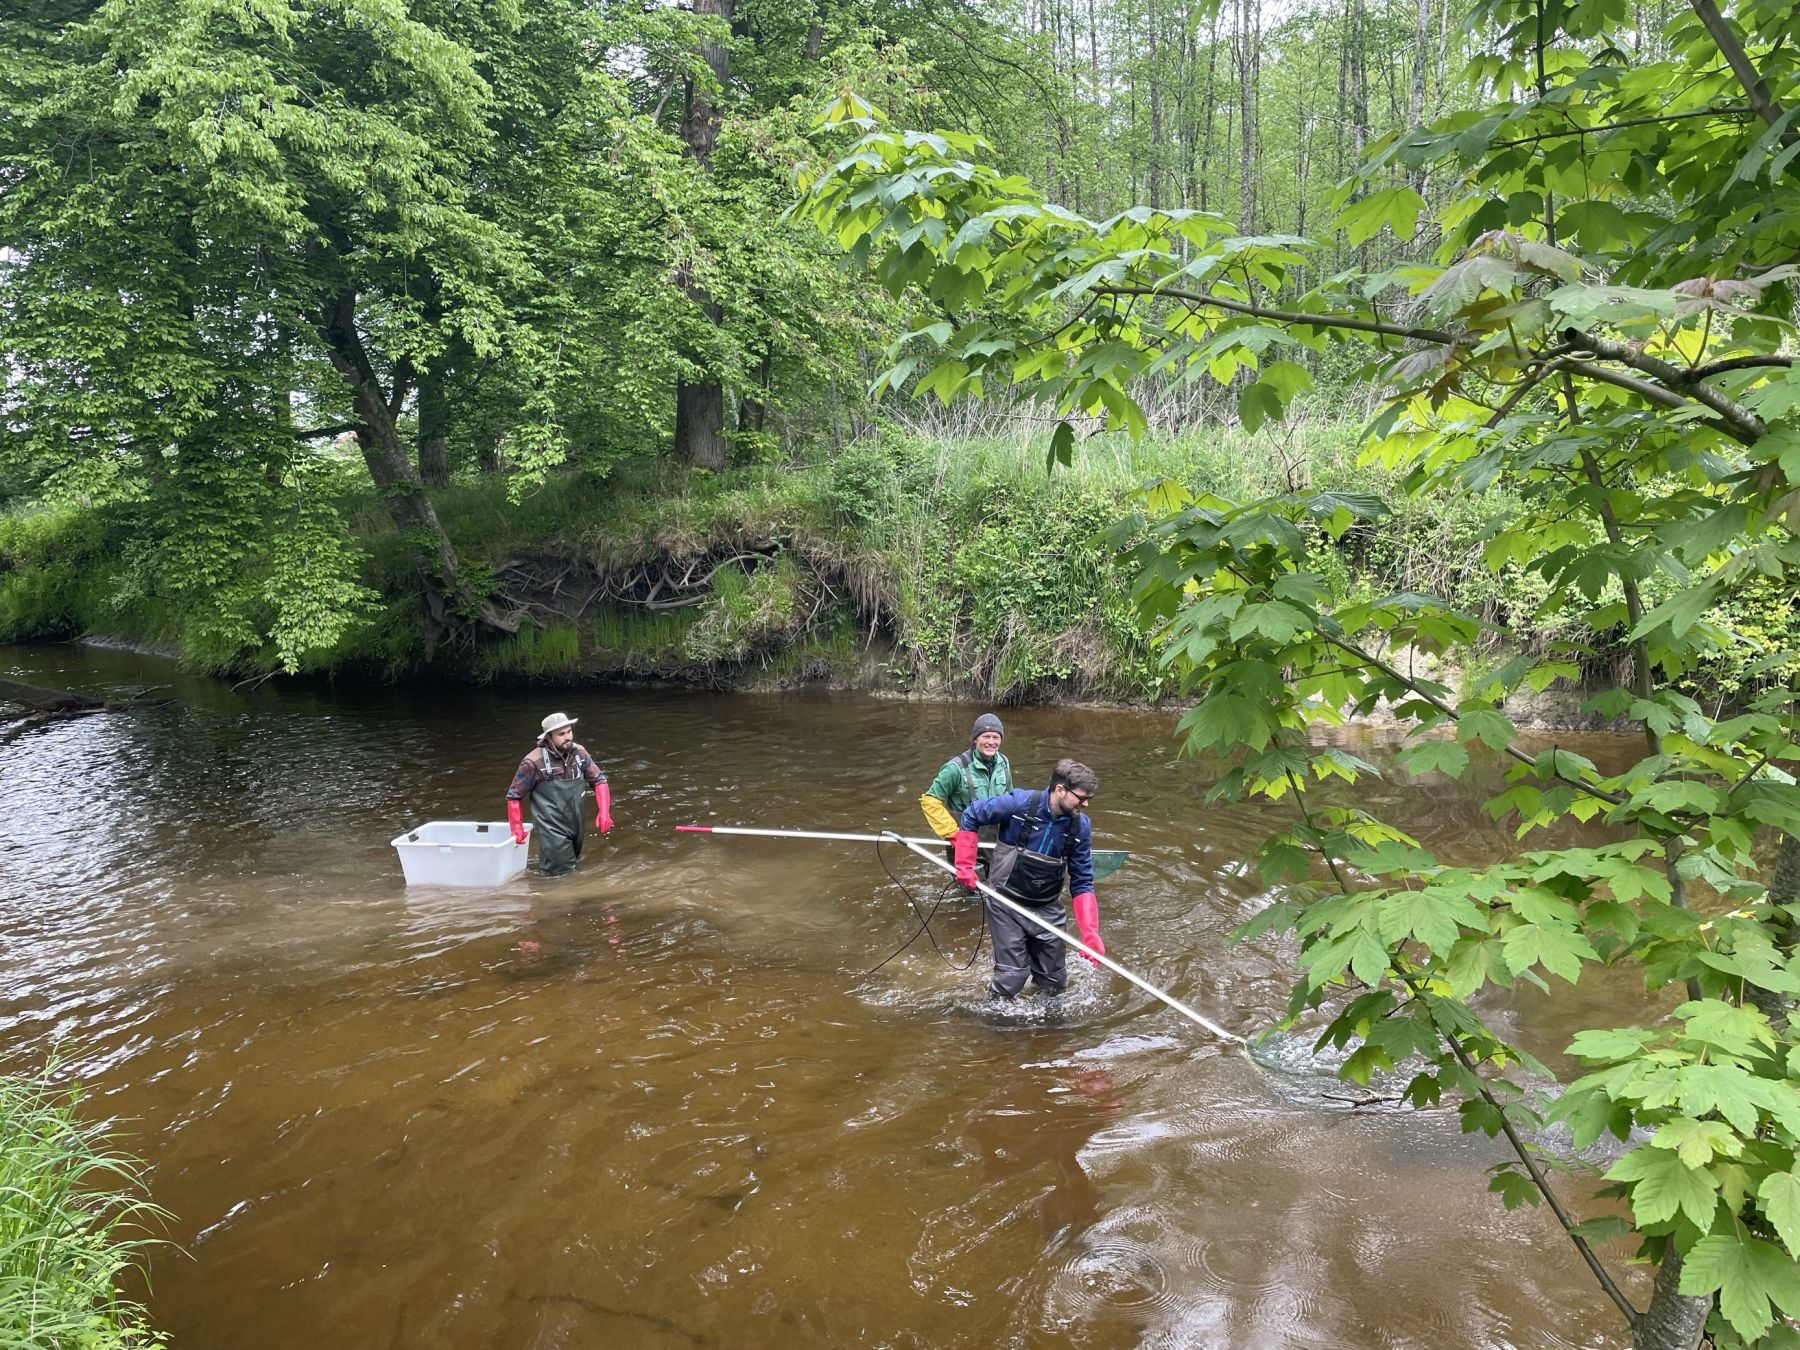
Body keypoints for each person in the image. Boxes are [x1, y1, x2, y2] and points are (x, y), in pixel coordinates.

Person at [953, 759, 1103, 999]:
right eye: (1081, 797)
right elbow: (971, 814)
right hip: (1005, 902)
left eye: (1089, 798)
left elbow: (1082, 881)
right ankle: (990, 1016)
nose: (1085, 804)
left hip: (1047, 907)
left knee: (1054, 983)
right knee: (1012, 978)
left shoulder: (1081, 827)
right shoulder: (1019, 804)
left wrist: (1090, 932)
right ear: (1060, 790)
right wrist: (964, 865)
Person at [505, 712, 612, 876]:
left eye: (569, 731)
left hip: (576, 823)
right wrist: (516, 827)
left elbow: (599, 781)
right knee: (560, 877)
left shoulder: (580, 753)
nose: (568, 737)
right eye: (561, 734)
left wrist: (604, 811)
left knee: (571, 868)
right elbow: (514, 796)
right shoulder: (533, 762)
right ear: (548, 737)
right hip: (552, 827)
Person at [919, 713, 1013, 849]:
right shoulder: (954, 768)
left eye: (996, 737)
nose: (991, 742)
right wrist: (952, 832)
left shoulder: (1003, 762)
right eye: (986, 736)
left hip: (996, 841)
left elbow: (1011, 799)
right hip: (963, 842)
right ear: (975, 739)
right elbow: (929, 801)